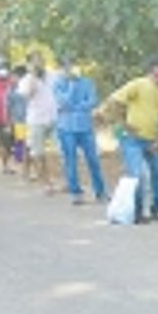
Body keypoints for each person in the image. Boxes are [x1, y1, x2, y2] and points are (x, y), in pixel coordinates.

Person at [99, 56, 158, 224]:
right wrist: (123, 124)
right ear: (155, 69)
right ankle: (137, 211)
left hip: (153, 139)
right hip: (133, 139)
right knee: (137, 175)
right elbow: (114, 101)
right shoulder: (139, 85)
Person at [54, 58, 107, 205]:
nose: (72, 69)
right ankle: (76, 193)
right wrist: (71, 85)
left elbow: (92, 101)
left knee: (93, 160)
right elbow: (63, 101)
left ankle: (100, 191)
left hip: (85, 127)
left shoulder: (87, 82)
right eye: (68, 67)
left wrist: (74, 107)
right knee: (70, 160)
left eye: (74, 66)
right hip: (66, 128)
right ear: (64, 69)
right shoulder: (58, 83)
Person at [18, 53, 59, 189]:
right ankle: (46, 182)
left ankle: (62, 180)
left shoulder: (53, 75)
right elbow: (28, 94)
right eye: (34, 62)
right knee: (38, 152)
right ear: (29, 64)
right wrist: (33, 76)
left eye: (40, 61)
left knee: (62, 150)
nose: (38, 64)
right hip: (36, 120)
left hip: (55, 118)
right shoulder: (26, 80)